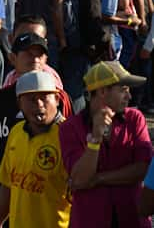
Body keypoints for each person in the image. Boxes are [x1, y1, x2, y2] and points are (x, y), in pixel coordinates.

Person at [59, 61, 152, 227]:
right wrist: (95, 140)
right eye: (124, 90)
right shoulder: (69, 127)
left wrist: (99, 179)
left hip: (131, 219)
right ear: (102, 91)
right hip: (89, 221)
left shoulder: (135, 119)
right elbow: (80, 179)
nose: (129, 97)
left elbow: (143, 169)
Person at [0, 71, 70, 228]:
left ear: (57, 99)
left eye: (44, 97)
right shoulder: (16, 132)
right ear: (20, 104)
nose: (39, 104)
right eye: (32, 99)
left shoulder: (69, 136)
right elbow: (8, 185)